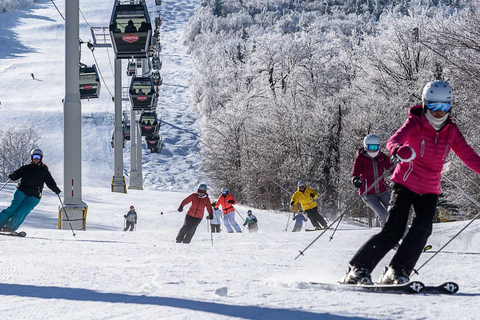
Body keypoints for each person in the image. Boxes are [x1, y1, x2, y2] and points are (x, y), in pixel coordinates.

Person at [342, 80, 480, 285]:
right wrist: (399, 150)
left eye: (444, 107)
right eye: (434, 106)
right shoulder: (415, 123)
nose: (439, 112)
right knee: (394, 229)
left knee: (423, 230)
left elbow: (468, 155)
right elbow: (393, 141)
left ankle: (396, 271)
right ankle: (358, 268)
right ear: (425, 104)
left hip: (430, 189)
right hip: (404, 184)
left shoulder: (451, 131)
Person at [0, 149, 61, 232]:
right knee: (13, 208)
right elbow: (17, 174)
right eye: (34, 157)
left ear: (41, 158)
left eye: (38, 157)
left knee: (22, 212)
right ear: (31, 157)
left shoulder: (44, 171)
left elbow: (50, 182)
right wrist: (13, 175)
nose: (36, 159)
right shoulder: (26, 168)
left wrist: (56, 189)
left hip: (34, 196)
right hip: (21, 191)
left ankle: (9, 228)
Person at [351, 134, 393, 227]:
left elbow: (392, 168)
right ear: (366, 147)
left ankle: (405, 237)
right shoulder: (361, 158)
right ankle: (387, 239)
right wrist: (356, 180)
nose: (373, 150)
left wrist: (399, 168)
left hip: (383, 190)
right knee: (384, 215)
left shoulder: (382, 157)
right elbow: (355, 173)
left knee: (395, 213)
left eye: (375, 147)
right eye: (371, 147)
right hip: (368, 193)